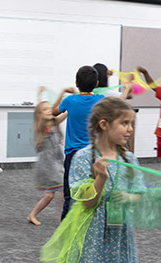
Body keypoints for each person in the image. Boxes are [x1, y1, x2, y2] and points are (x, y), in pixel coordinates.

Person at [41, 97, 144, 262]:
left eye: (132, 124)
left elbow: (139, 194)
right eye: (124, 123)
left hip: (120, 235)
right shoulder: (83, 158)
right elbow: (88, 202)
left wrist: (128, 197)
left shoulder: (130, 159)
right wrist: (101, 178)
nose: (130, 129)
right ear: (104, 125)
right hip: (91, 234)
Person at [52, 65, 104, 220]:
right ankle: (90, 221)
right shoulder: (100, 100)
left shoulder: (70, 101)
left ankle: (66, 224)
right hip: (93, 154)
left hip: (73, 154)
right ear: (96, 84)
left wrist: (64, 96)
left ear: (76, 83)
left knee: (70, 192)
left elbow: (54, 112)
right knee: (93, 188)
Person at [27, 87, 71, 226]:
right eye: (45, 110)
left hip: (57, 161)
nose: (49, 111)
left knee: (64, 190)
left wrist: (69, 96)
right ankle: (33, 215)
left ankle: (61, 214)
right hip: (48, 165)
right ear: (40, 114)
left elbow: (65, 111)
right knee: (50, 194)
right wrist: (40, 96)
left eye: (49, 109)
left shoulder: (54, 123)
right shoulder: (40, 127)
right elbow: (38, 113)